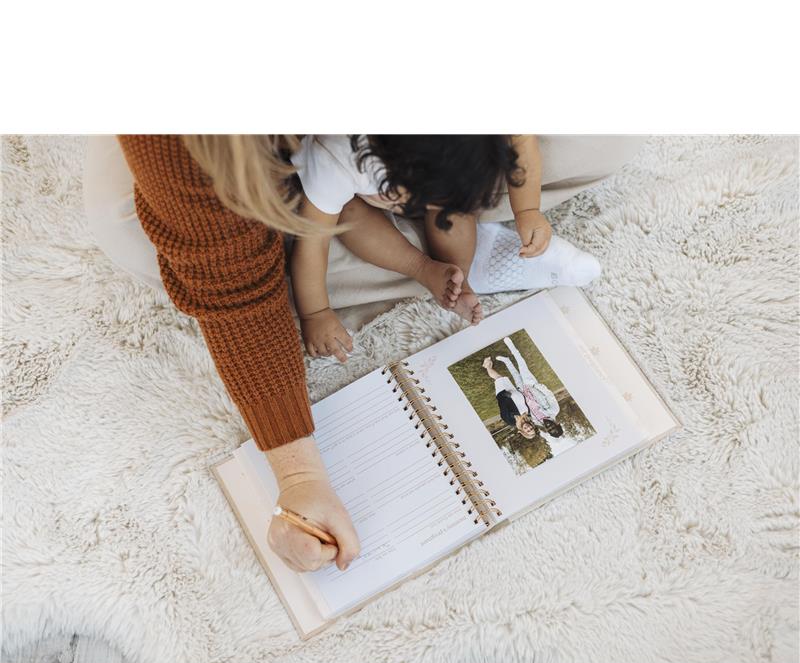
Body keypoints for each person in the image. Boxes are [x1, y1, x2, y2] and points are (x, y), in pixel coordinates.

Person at [84, 134, 644, 574]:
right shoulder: (310, 156)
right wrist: (298, 475)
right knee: (132, 235)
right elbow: (240, 278)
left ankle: (460, 251)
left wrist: (525, 209)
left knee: (610, 138)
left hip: (399, 165)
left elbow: (517, 143)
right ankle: (444, 258)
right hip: (301, 181)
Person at [289, 135, 603, 359]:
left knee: (454, 212)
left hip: (422, 165)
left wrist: (527, 210)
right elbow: (312, 242)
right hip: (346, 192)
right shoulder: (335, 157)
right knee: (346, 216)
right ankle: (423, 268)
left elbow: (522, 141)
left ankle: (461, 278)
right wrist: (315, 313)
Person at [496, 336, 563, 437]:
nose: (549, 426)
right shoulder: (554, 410)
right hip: (531, 386)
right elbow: (549, 395)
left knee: (515, 374)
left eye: (549, 429)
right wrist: (536, 385)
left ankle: (506, 361)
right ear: (557, 424)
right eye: (553, 427)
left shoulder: (537, 422)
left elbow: (526, 413)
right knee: (522, 365)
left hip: (522, 393)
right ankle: (510, 345)